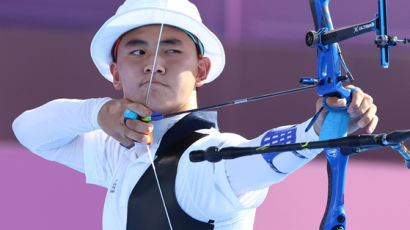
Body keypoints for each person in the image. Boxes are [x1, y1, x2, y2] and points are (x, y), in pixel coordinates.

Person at [12, 0, 378, 229]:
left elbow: (259, 157)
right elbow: (28, 130)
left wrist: (318, 130)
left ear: (201, 70)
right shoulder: (121, 151)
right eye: (137, 53)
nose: (153, 65)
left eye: (171, 51)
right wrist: (99, 112)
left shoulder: (207, 159)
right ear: (115, 73)